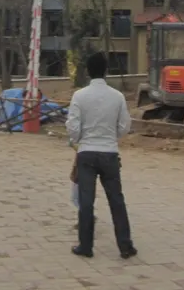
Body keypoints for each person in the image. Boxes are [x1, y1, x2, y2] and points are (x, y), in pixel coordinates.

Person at [66, 52, 137, 260]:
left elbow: (73, 128)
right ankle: (125, 246)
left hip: (86, 153)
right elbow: (124, 126)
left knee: (86, 201)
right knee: (116, 200)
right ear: (106, 71)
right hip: (109, 153)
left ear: (88, 71)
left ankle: (85, 246)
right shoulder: (117, 96)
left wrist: (81, 139)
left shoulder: (79, 96)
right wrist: (110, 137)